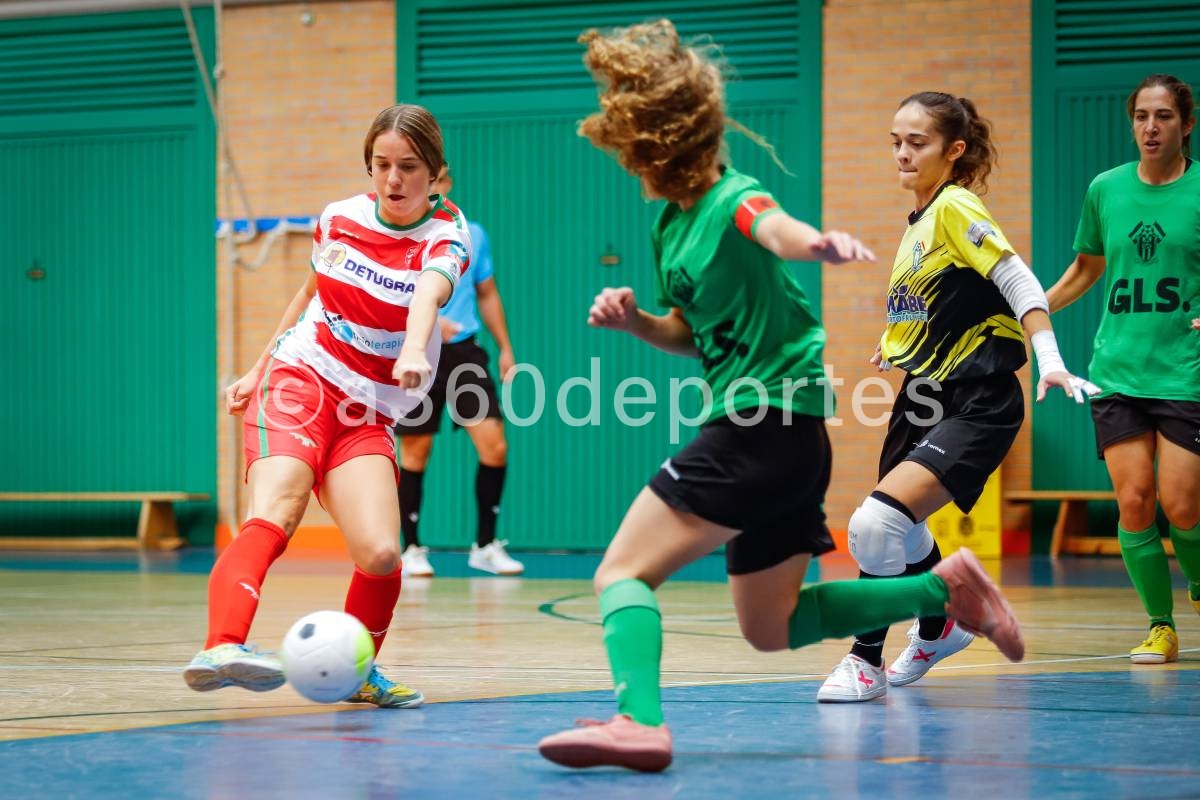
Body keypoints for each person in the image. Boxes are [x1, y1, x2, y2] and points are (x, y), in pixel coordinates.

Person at [536, 21, 1025, 773]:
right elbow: (690, 333)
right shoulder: (671, 228)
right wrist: (637, 322)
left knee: (620, 573)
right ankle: (945, 589)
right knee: (774, 626)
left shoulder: (732, 195)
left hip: (756, 430)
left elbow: (772, 228)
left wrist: (817, 243)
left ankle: (639, 721)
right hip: (790, 445)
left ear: (653, 142)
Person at [182, 104, 471, 708]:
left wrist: (415, 348)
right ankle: (221, 645)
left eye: (409, 167)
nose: (393, 180)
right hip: (303, 377)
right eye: (381, 165)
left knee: (382, 553)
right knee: (280, 504)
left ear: (436, 172)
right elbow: (308, 294)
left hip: (369, 411)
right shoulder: (338, 218)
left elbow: (428, 292)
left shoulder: (448, 234)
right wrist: (260, 365)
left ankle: (359, 673)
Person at [815, 92, 1098, 703]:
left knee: (874, 523)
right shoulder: (918, 225)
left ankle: (866, 662)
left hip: (978, 398)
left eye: (917, 142)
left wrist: (1049, 358)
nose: (902, 152)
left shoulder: (955, 207)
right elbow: (938, 305)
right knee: (896, 532)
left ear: (955, 151)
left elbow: (1016, 276)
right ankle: (938, 625)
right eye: (896, 140)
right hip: (922, 395)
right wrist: (895, 343)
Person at [1046, 74, 1200, 664]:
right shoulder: (1105, 189)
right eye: (1141, 116)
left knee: (1182, 505)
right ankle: (1161, 625)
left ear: (1186, 124)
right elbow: (1085, 269)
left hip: (1184, 372)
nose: (1151, 127)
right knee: (1134, 500)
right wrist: (1029, 311)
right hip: (1116, 369)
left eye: (1163, 116)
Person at [395, 165, 522, 578]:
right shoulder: (403, 237)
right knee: (415, 450)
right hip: (417, 351)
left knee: (494, 445)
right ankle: (410, 548)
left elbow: (487, 293)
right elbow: (390, 295)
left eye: (442, 180)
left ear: (447, 183)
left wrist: (505, 348)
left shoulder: (473, 235)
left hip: (465, 350)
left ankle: (485, 546)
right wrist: (427, 323)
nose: (435, 188)